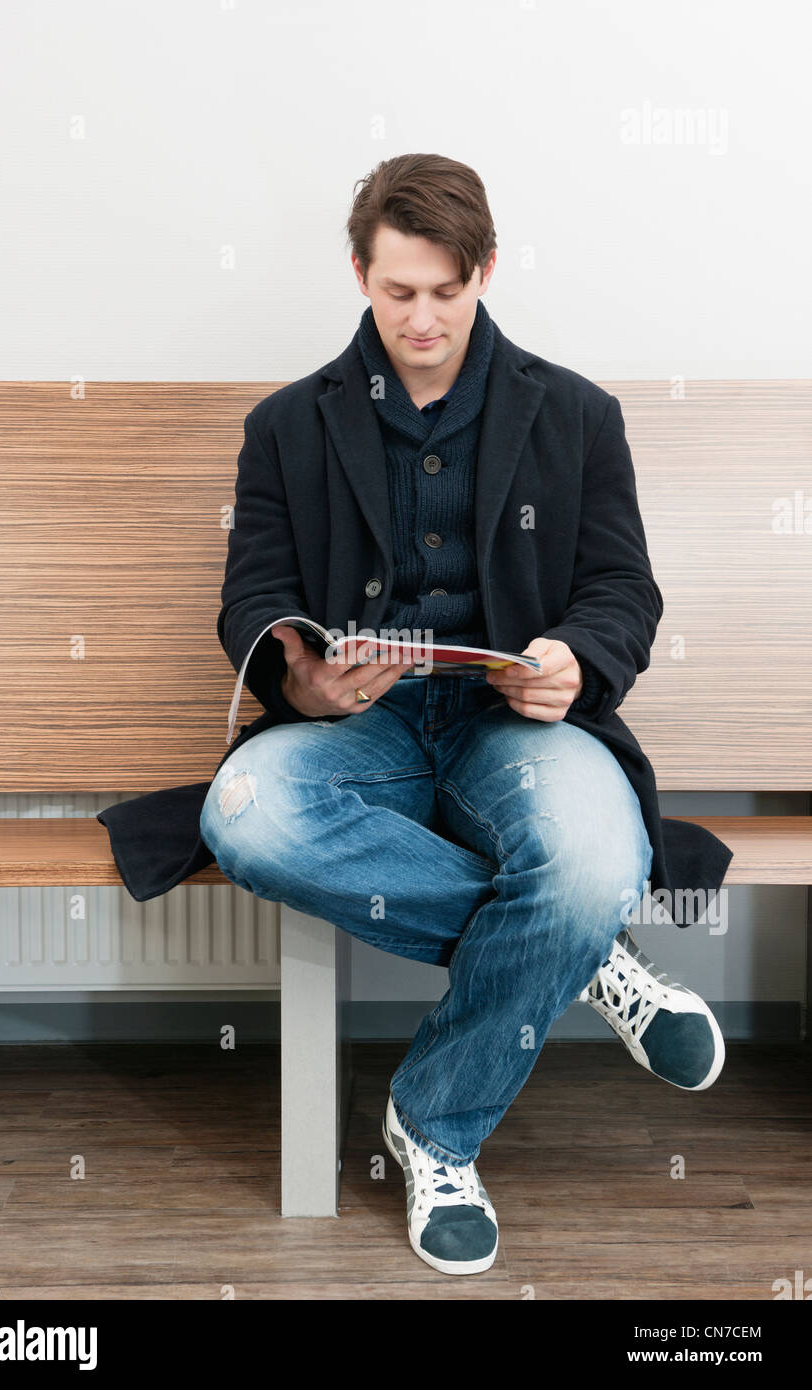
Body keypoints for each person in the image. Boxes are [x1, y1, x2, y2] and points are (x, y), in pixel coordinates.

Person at [197, 153, 726, 1278]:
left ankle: (434, 1127)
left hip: (517, 729)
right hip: (360, 729)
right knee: (241, 810)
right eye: (397, 293)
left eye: (446, 290)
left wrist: (572, 661)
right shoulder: (285, 427)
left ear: (484, 270)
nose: (421, 318)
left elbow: (621, 590)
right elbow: (251, 594)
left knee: (585, 864)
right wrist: (300, 680)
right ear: (358, 273)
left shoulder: (575, 414)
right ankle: (585, 953)